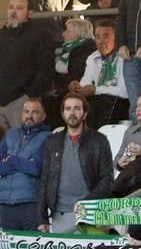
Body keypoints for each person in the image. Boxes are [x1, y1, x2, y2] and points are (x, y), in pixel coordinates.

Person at [37, 93, 112, 236]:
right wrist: (42, 218)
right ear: (63, 114)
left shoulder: (100, 140)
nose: (72, 113)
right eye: (68, 108)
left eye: (77, 108)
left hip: (92, 213)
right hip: (60, 215)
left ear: (84, 114)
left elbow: (107, 179)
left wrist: (86, 203)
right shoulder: (52, 142)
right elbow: (44, 181)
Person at [0, 0, 54, 133]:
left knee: (22, 143)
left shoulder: (41, 36)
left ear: (29, 13)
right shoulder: (1, 35)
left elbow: (46, 69)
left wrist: (30, 96)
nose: (13, 12)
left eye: (19, 8)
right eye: (11, 7)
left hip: (21, 102)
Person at [0, 99, 51, 234]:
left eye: (35, 112)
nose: (29, 115)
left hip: (30, 203)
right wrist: (24, 162)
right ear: (21, 114)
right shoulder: (11, 134)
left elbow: (36, 168)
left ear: (43, 116)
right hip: (4, 203)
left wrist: (10, 159)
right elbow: (1, 166)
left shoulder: (48, 137)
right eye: (26, 111)